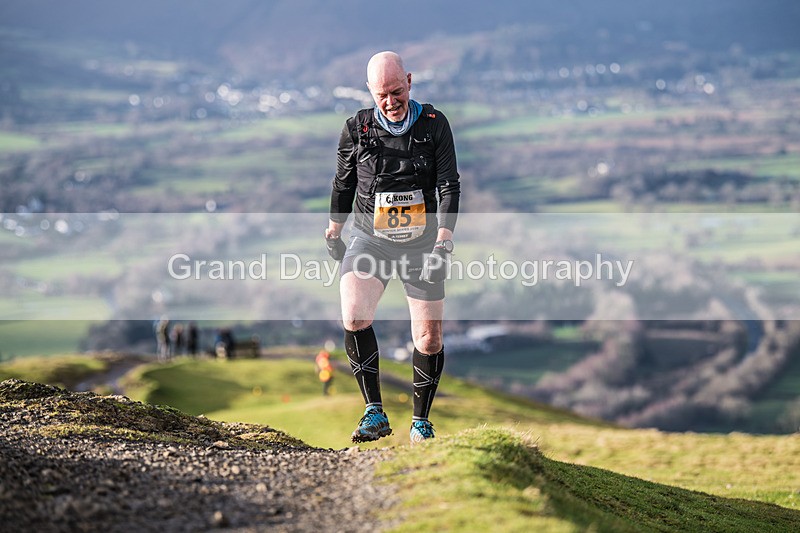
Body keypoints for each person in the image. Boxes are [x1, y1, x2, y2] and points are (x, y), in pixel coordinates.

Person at [325, 51, 460, 445]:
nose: (390, 101)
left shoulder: (434, 125)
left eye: (397, 91)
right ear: (370, 91)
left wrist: (444, 243)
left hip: (422, 243)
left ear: (410, 82)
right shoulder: (357, 129)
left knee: (429, 339)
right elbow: (343, 182)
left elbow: (449, 184)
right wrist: (334, 230)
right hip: (370, 238)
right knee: (353, 315)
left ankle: (420, 423)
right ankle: (374, 413)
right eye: (382, 94)